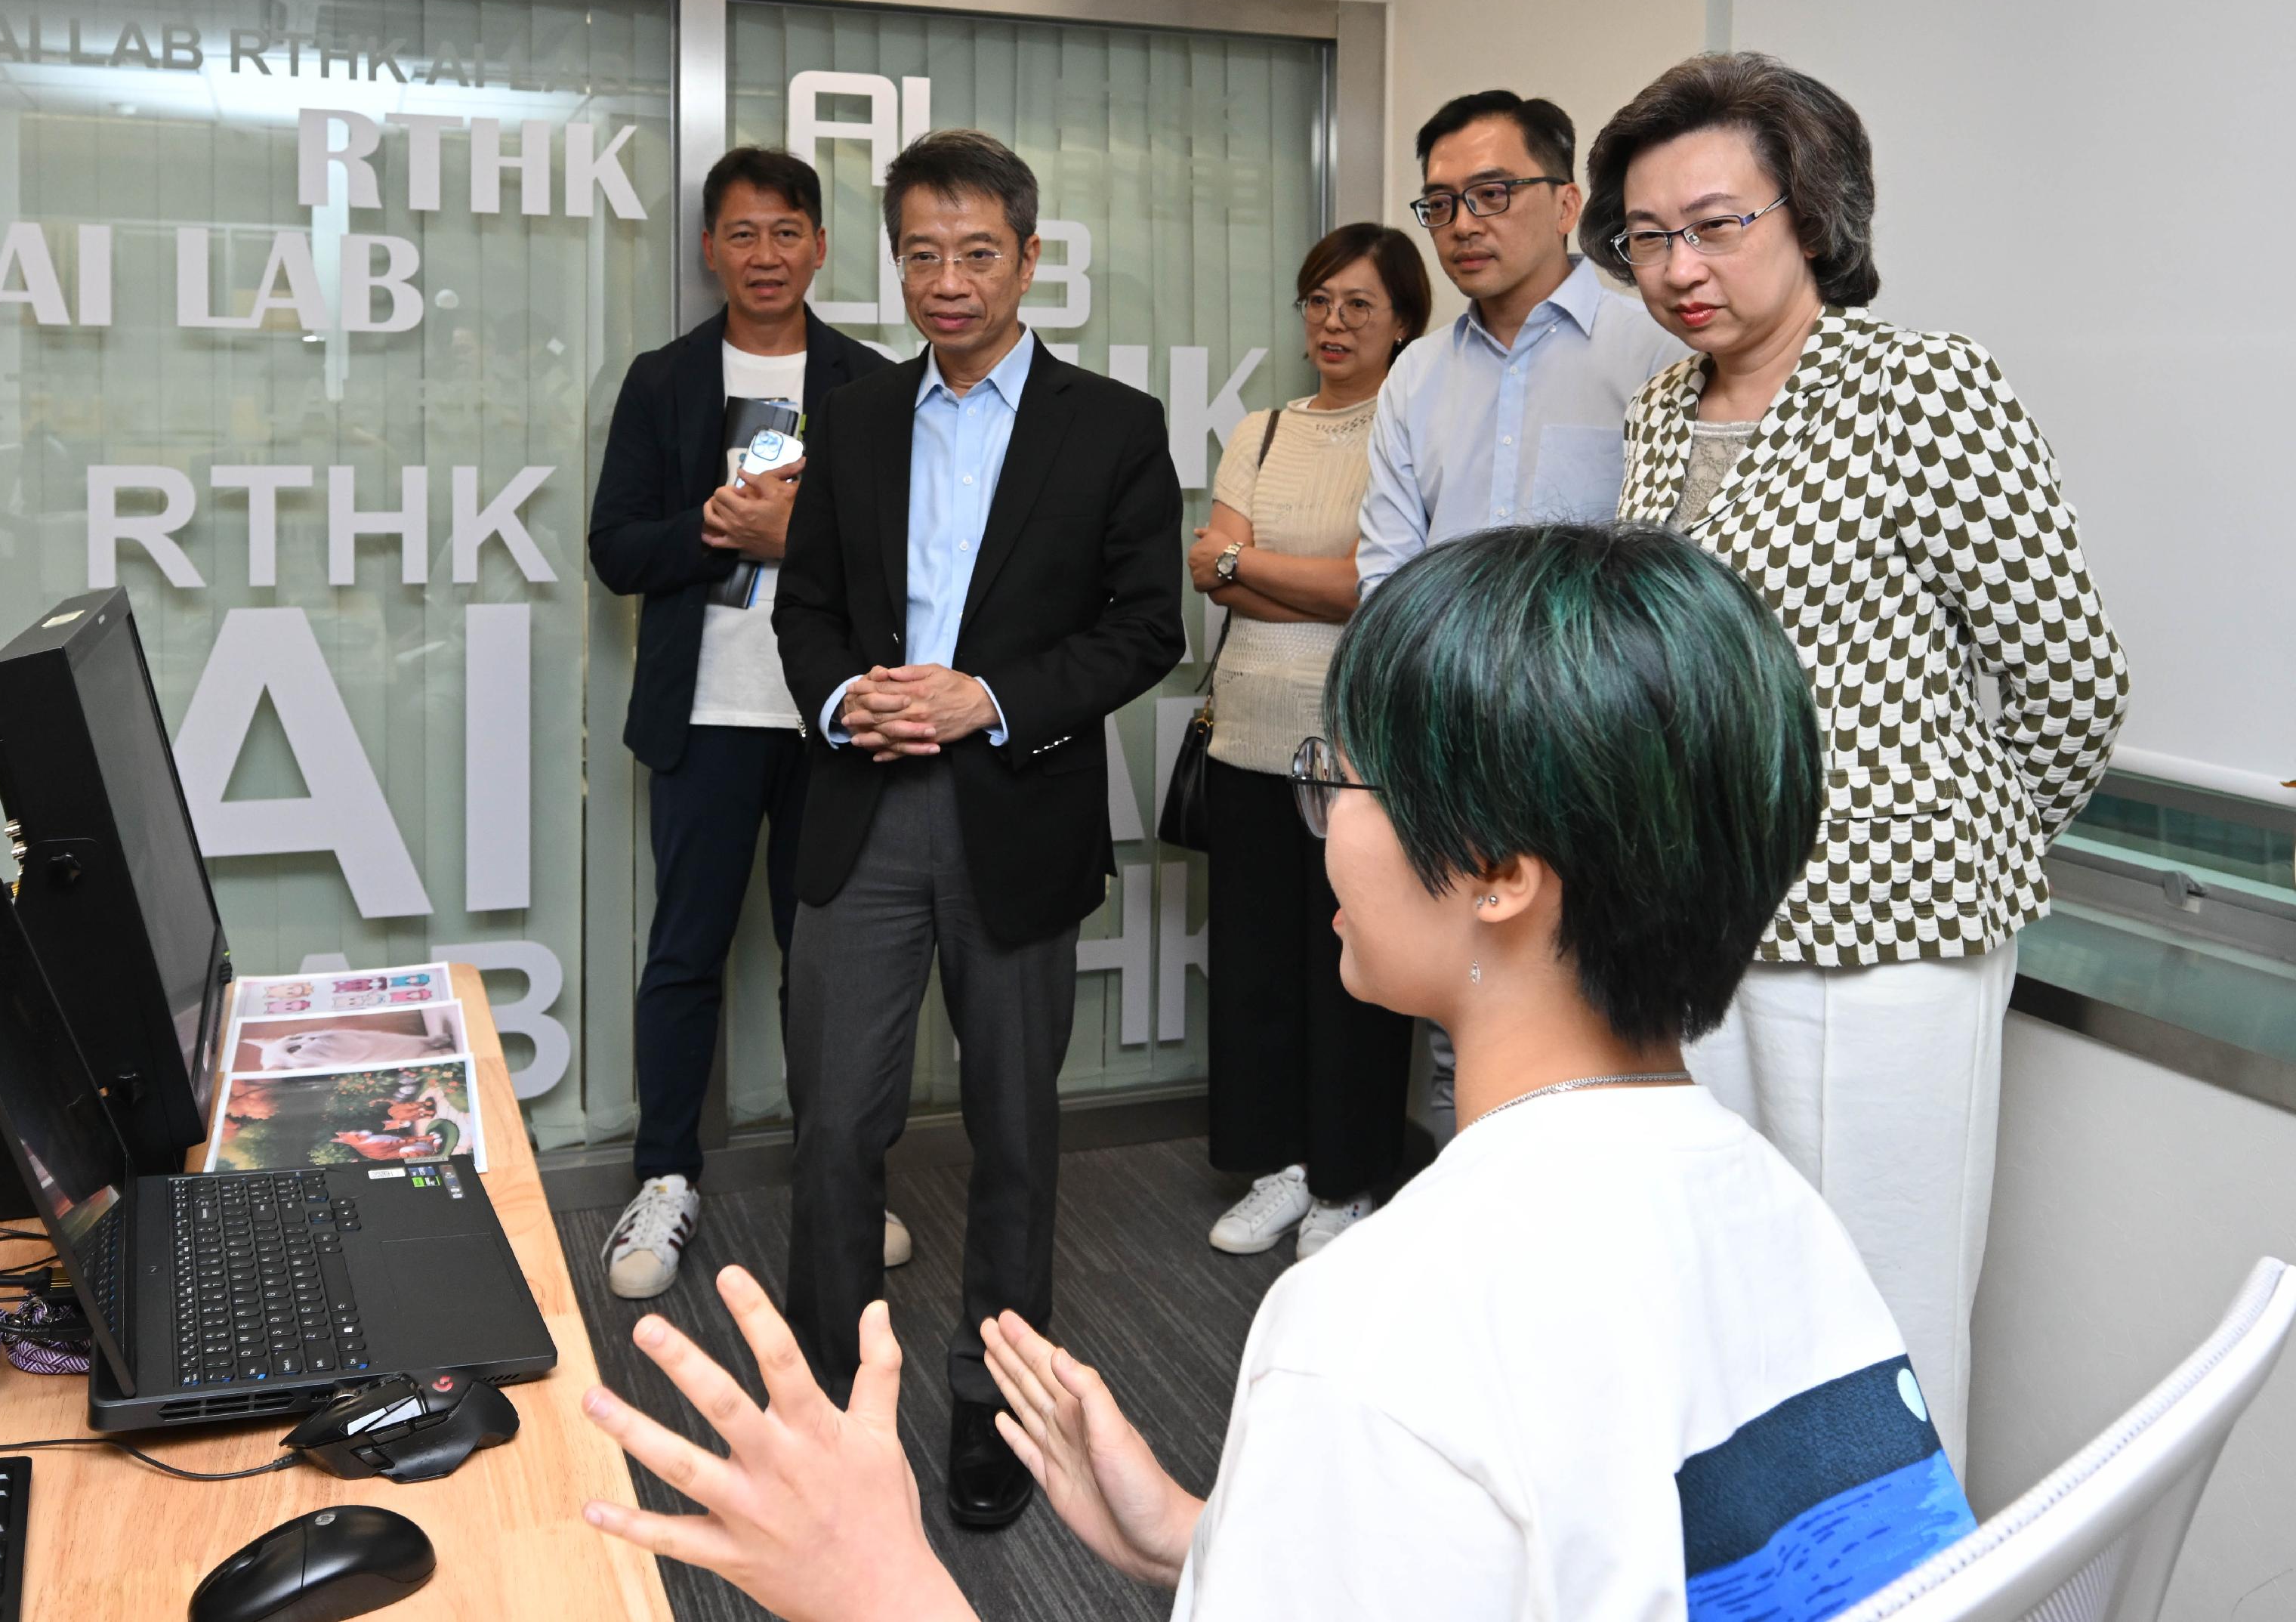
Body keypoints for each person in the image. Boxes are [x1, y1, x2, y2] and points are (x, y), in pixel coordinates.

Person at [576, 524, 1980, 1622]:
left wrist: (878, 1588)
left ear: (1496, 873)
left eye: (1342, 778)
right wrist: (1215, 1543)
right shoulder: (1786, 1216)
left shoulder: (1372, 1323)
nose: (1320, 825)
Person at [1587, 51, 2129, 1480]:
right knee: (1731, 1306)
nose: (1679, 266)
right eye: (1647, 237)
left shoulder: (1923, 388)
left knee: (1877, 1326)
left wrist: (1959, 841)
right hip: (1701, 935)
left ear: (1812, 212)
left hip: (1888, 942)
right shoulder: (1655, 415)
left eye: (1717, 224)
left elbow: (2072, 676)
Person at [769, 128, 1182, 1529]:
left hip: (1013, 812)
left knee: (1013, 1137)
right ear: (898, 263)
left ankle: (997, 1406)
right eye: (923, 255)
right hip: (863, 815)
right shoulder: (860, 414)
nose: (949, 282)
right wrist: (844, 703)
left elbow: (1145, 630)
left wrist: (989, 698)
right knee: (835, 1130)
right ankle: (831, 1415)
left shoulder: (1112, 428)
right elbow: (806, 607)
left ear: (1029, 254)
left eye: (978, 253)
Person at [585, 145, 889, 1300]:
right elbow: (616, 551)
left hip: (830, 716)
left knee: (829, 966)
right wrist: (718, 529)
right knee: (686, 953)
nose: (765, 254)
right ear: (711, 250)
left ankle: (840, 1180)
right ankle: (665, 1177)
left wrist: (793, 540)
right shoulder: (663, 382)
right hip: (706, 713)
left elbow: (901, 564)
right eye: (742, 233)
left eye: (786, 231)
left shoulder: (870, 385)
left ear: (818, 245)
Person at [1364, 88, 1689, 1136]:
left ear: (1566, 203)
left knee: (1611, 1012)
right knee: (1472, 1008)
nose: (1464, 222)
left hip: (1607, 747)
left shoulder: (1654, 354)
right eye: (1442, 202)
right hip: (1457, 743)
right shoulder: (1416, 375)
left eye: (1493, 193)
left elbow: (1680, 564)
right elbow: (1387, 568)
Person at [1186, 222, 1430, 1260]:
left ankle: (1346, 1179)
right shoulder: (1263, 429)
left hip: (1355, 749)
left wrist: (1258, 564)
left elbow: (1375, 589)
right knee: (1255, 970)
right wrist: (1295, 575)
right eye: (1319, 301)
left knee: (1354, 974)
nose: (1333, 323)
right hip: (1245, 732)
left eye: (1359, 305)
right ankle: (1279, 1164)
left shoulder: (1410, 428)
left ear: (1404, 322)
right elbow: (1205, 564)